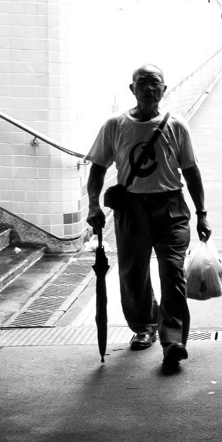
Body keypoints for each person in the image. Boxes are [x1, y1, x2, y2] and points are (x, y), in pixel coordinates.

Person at [85, 64, 212, 372]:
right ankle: (144, 325)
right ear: (132, 89)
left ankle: (172, 341)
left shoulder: (176, 125)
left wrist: (202, 213)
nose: (149, 89)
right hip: (131, 209)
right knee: (133, 273)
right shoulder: (115, 125)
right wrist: (93, 205)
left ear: (164, 90)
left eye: (155, 84)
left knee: (172, 273)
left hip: (171, 209)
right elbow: (98, 169)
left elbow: (191, 172)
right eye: (143, 83)